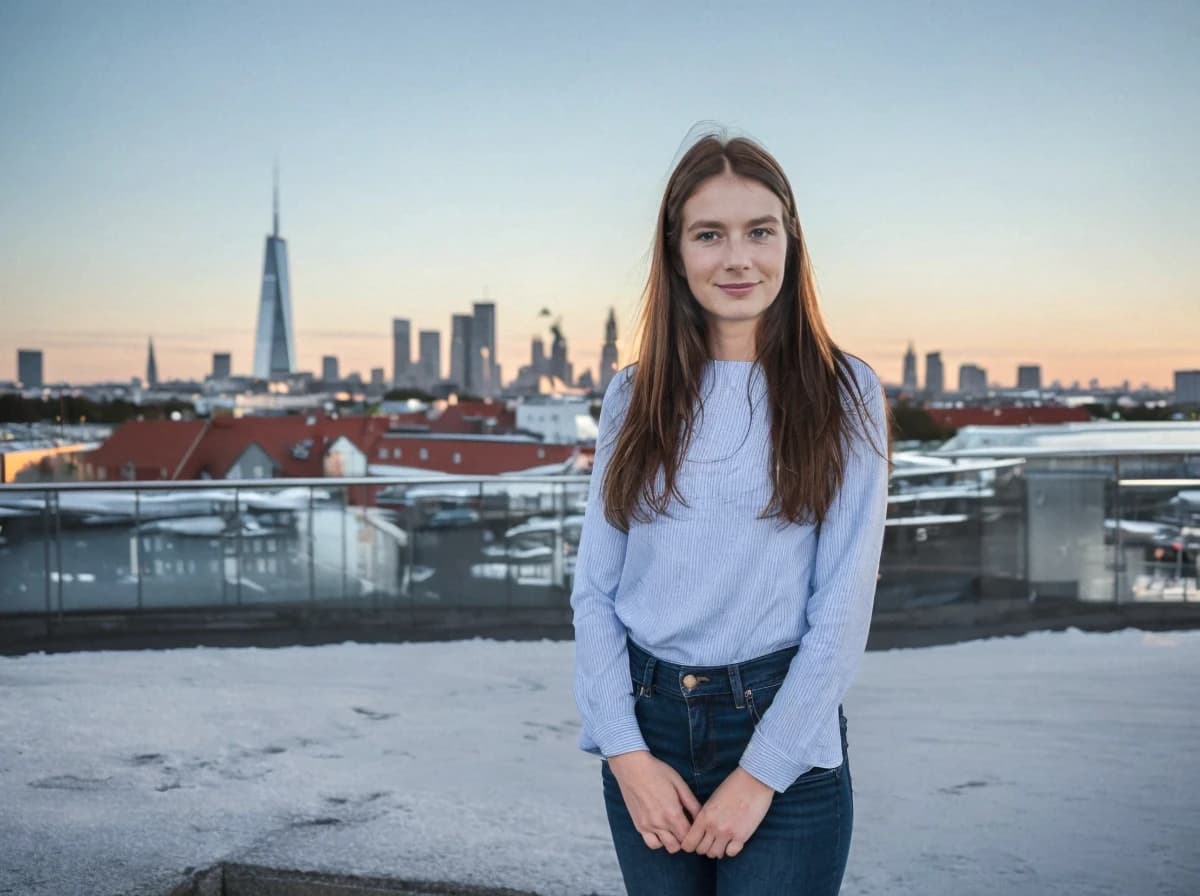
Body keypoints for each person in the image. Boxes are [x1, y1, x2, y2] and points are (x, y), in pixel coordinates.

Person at [570, 128, 892, 896]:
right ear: (677, 251)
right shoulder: (631, 395)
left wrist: (762, 773)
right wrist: (624, 752)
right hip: (647, 738)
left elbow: (842, 611)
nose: (737, 258)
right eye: (709, 234)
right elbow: (594, 593)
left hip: (784, 731)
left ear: (791, 242)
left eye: (760, 231)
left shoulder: (847, 393)